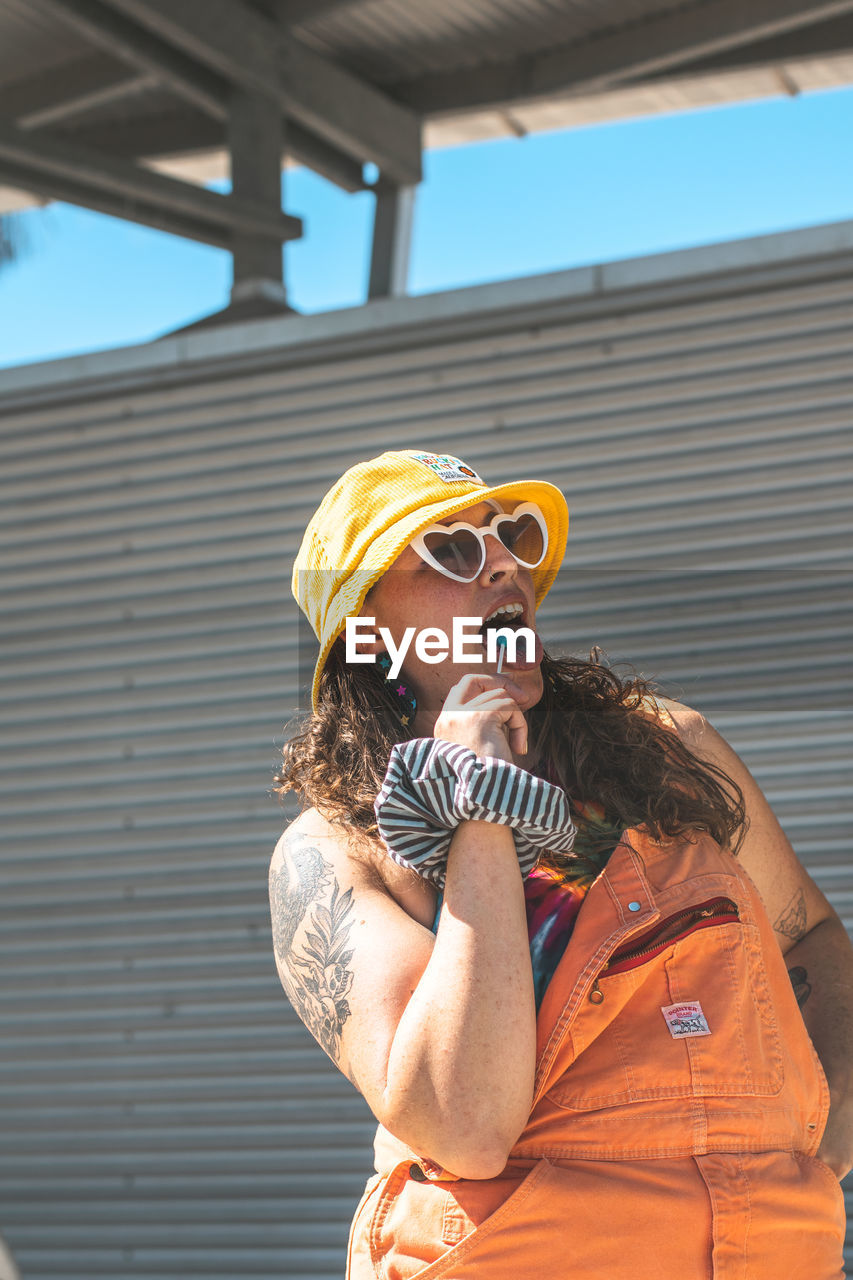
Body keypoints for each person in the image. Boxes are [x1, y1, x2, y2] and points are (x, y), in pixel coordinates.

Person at [270, 448, 852, 1279]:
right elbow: (466, 1126)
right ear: (368, 631)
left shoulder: (666, 752)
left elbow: (811, 938)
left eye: (509, 536)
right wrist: (477, 803)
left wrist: (818, 1138)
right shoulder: (334, 852)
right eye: (452, 549)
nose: (505, 561)